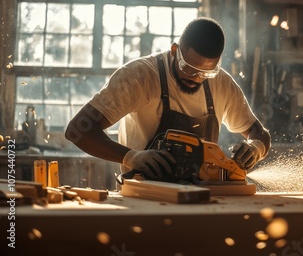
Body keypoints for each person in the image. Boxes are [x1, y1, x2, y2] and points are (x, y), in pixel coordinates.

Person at [65, 17, 271, 182]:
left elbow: (259, 133)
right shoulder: (139, 76)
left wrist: (255, 147)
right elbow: (78, 131)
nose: (196, 78)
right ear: (175, 51)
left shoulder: (222, 83)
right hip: (145, 198)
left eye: (205, 73)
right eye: (189, 69)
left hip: (202, 199)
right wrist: (131, 157)